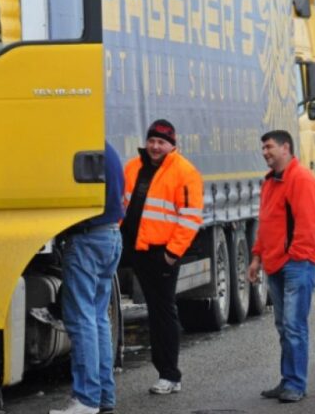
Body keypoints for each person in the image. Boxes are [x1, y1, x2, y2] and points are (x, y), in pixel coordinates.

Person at [122, 119, 203, 395]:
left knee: (162, 313)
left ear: (172, 145)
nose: (155, 146)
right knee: (156, 312)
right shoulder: (132, 168)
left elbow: (191, 217)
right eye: (152, 140)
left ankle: (170, 375)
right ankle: (167, 374)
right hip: (135, 250)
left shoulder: (185, 172)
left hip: (162, 254)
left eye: (162, 142)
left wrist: (171, 254)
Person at [248, 130, 315, 404]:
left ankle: (295, 384)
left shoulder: (300, 179)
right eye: (263, 148)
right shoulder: (270, 182)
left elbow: (308, 225)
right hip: (276, 262)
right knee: (284, 325)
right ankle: (287, 379)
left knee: (294, 325)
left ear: (285, 148)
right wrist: (257, 257)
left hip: (297, 263)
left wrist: (295, 259)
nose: (265, 152)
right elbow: (266, 224)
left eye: (269, 147)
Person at [50, 142, 125, 414]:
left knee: (82, 319)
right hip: (111, 235)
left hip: (87, 239)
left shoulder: (82, 145)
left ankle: (86, 398)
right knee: (98, 319)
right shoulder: (109, 149)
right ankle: (104, 396)